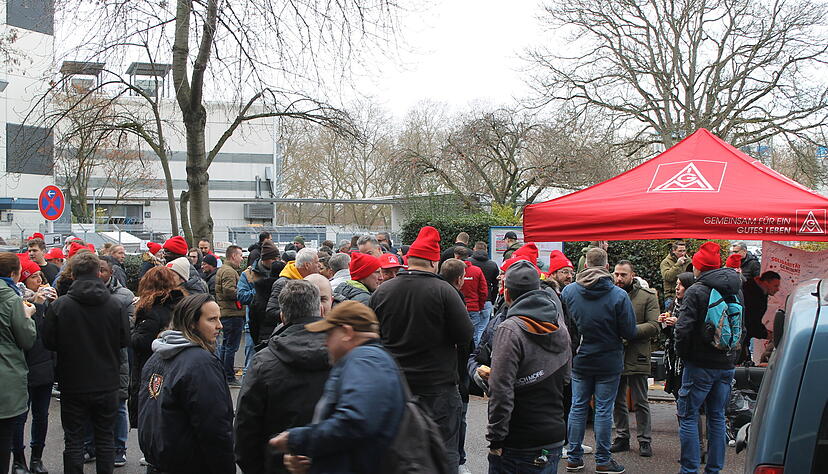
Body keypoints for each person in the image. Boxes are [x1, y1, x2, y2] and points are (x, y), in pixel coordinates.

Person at [370, 226, 473, 469]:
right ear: (434, 262)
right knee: (444, 452)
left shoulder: (383, 291)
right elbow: (465, 335)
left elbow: (372, 336)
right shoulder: (445, 291)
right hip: (438, 388)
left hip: (396, 387)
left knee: (398, 453)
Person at [268, 301, 405, 473]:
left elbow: (355, 423)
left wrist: (295, 439)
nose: (325, 343)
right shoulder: (367, 360)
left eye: (329, 334)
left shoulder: (365, 361)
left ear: (347, 332)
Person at [41, 251, 130, 474]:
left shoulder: (60, 306)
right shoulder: (114, 305)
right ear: (98, 272)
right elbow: (124, 340)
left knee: (73, 441)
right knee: (105, 439)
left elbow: (48, 342)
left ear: (73, 273)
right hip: (107, 381)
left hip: (73, 382)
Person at [234, 280, 331, 474]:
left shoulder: (263, 361)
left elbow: (245, 429)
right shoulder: (345, 353)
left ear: (282, 316)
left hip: (278, 464)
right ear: (321, 310)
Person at [487, 260, 571, 473]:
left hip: (519, 440)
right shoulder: (558, 324)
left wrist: (496, 439)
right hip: (552, 433)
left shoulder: (510, 329)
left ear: (507, 294)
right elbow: (566, 379)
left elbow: (501, 392)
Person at [138, 293, 234, 474]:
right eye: (212, 319)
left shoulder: (157, 356)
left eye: (219, 319)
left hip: (159, 462)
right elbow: (214, 428)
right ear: (191, 322)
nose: (219, 326)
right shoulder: (201, 363)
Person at [561, 247, 636, 474]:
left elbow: (565, 327)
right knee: (604, 410)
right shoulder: (619, 295)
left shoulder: (569, 292)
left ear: (585, 265)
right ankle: (603, 460)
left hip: (580, 358)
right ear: (606, 267)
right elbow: (629, 331)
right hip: (609, 359)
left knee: (578, 406)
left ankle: (573, 457)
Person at [674, 241, 743, 474]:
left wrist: (683, 355)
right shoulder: (735, 288)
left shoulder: (696, 291)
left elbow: (683, 329)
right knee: (717, 417)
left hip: (699, 365)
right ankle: (714, 470)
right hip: (726, 364)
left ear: (699, 267)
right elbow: (743, 327)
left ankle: (689, 470)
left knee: (689, 416)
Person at [610, 260, 660, 458]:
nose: (619, 278)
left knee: (640, 400)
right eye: (616, 274)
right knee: (617, 399)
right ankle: (622, 437)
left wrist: (629, 331)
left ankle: (644, 440)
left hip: (637, 353)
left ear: (633, 275)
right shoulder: (611, 293)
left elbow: (654, 325)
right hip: (615, 353)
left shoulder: (647, 296)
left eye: (623, 275)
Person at [11, 259, 56, 474]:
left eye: (40, 276)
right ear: (23, 280)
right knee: (20, 416)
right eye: (34, 277)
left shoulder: (47, 300)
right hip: (23, 366)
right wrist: (37, 306)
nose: (39, 281)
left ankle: (37, 458)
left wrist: (54, 305)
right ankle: (18, 460)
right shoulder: (17, 303)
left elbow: (54, 334)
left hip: (45, 365)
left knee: (41, 415)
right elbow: (29, 335)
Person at [129, 267, 186, 428]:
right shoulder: (181, 305)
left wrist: (131, 330)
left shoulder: (150, 310)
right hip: (177, 366)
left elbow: (141, 341)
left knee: (151, 414)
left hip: (151, 368)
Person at [92, 257, 135, 467]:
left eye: (103, 270)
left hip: (118, 358)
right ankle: (90, 446)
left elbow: (129, 327)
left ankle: (120, 447)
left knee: (119, 404)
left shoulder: (125, 296)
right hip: (92, 358)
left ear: (111, 273)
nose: (99, 274)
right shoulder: (85, 296)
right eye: (96, 270)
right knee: (91, 404)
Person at [0, 253, 37, 474]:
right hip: (6, 377)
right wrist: (29, 316)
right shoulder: (12, 299)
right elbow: (26, 339)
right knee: (4, 440)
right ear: (15, 274)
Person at [264, 248, 319, 344]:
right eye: (316, 262)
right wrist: (294, 315)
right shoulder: (283, 283)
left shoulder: (312, 280)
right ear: (307, 265)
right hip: (289, 336)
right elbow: (271, 311)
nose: (319, 265)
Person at [238, 240, 282, 347]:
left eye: (278, 258)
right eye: (273, 259)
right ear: (264, 259)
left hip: (275, 324)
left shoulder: (281, 272)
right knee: (251, 358)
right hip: (253, 322)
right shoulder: (248, 274)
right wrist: (260, 292)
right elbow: (241, 296)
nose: (277, 261)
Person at [214, 245, 245, 386]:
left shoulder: (225, 270)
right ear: (233, 256)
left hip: (229, 313)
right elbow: (229, 291)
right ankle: (229, 377)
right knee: (230, 346)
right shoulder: (229, 272)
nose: (242, 258)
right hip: (232, 313)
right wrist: (244, 292)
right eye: (240, 255)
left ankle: (223, 375)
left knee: (226, 345)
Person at [740, 271, 781, 364]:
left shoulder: (760, 292)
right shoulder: (752, 295)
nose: (777, 289)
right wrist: (764, 334)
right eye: (775, 286)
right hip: (742, 338)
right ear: (766, 283)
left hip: (745, 337)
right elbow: (750, 321)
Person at [455, 246, 489, 346]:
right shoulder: (477, 270)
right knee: (474, 336)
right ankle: (473, 357)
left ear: (456, 256)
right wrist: (480, 306)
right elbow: (483, 291)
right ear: (468, 256)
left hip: (457, 307)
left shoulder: (453, 270)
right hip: (474, 308)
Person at [661, 241, 691, 311]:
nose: (683, 253)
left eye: (684, 251)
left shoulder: (689, 261)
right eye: (680, 251)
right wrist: (678, 264)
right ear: (674, 251)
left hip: (687, 295)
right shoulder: (666, 262)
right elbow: (667, 277)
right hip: (671, 296)